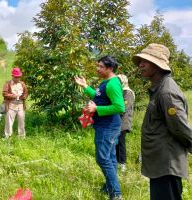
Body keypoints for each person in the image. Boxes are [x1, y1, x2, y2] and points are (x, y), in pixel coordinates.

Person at [132, 43, 192, 200]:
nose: (141, 64)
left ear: (158, 65)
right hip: (160, 162)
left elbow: (180, 128)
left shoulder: (167, 93)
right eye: (140, 61)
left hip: (167, 164)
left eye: (146, 61)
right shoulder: (159, 88)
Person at [75, 56, 125, 200]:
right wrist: (85, 86)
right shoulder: (106, 82)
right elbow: (98, 96)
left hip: (108, 126)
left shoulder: (112, 84)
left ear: (110, 68)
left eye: (101, 66)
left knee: (102, 159)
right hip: (107, 125)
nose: (98, 69)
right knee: (110, 157)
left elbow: (119, 107)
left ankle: (116, 194)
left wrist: (97, 108)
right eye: (98, 66)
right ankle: (109, 186)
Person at [116, 74, 135, 172]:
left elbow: (123, 108)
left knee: (121, 143)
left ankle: (122, 163)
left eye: (119, 81)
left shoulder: (128, 92)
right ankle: (117, 162)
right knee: (116, 143)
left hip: (123, 122)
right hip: (118, 122)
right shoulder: (120, 91)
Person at [2, 67, 28, 138]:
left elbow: (26, 92)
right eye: (16, 77)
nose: (18, 78)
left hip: (20, 106)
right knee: (9, 122)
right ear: (12, 76)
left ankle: (22, 136)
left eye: (19, 77)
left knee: (21, 122)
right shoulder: (8, 83)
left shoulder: (22, 84)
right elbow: (4, 93)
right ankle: (7, 136)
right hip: (10, 105)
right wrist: (14, 96)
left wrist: (24, 97)